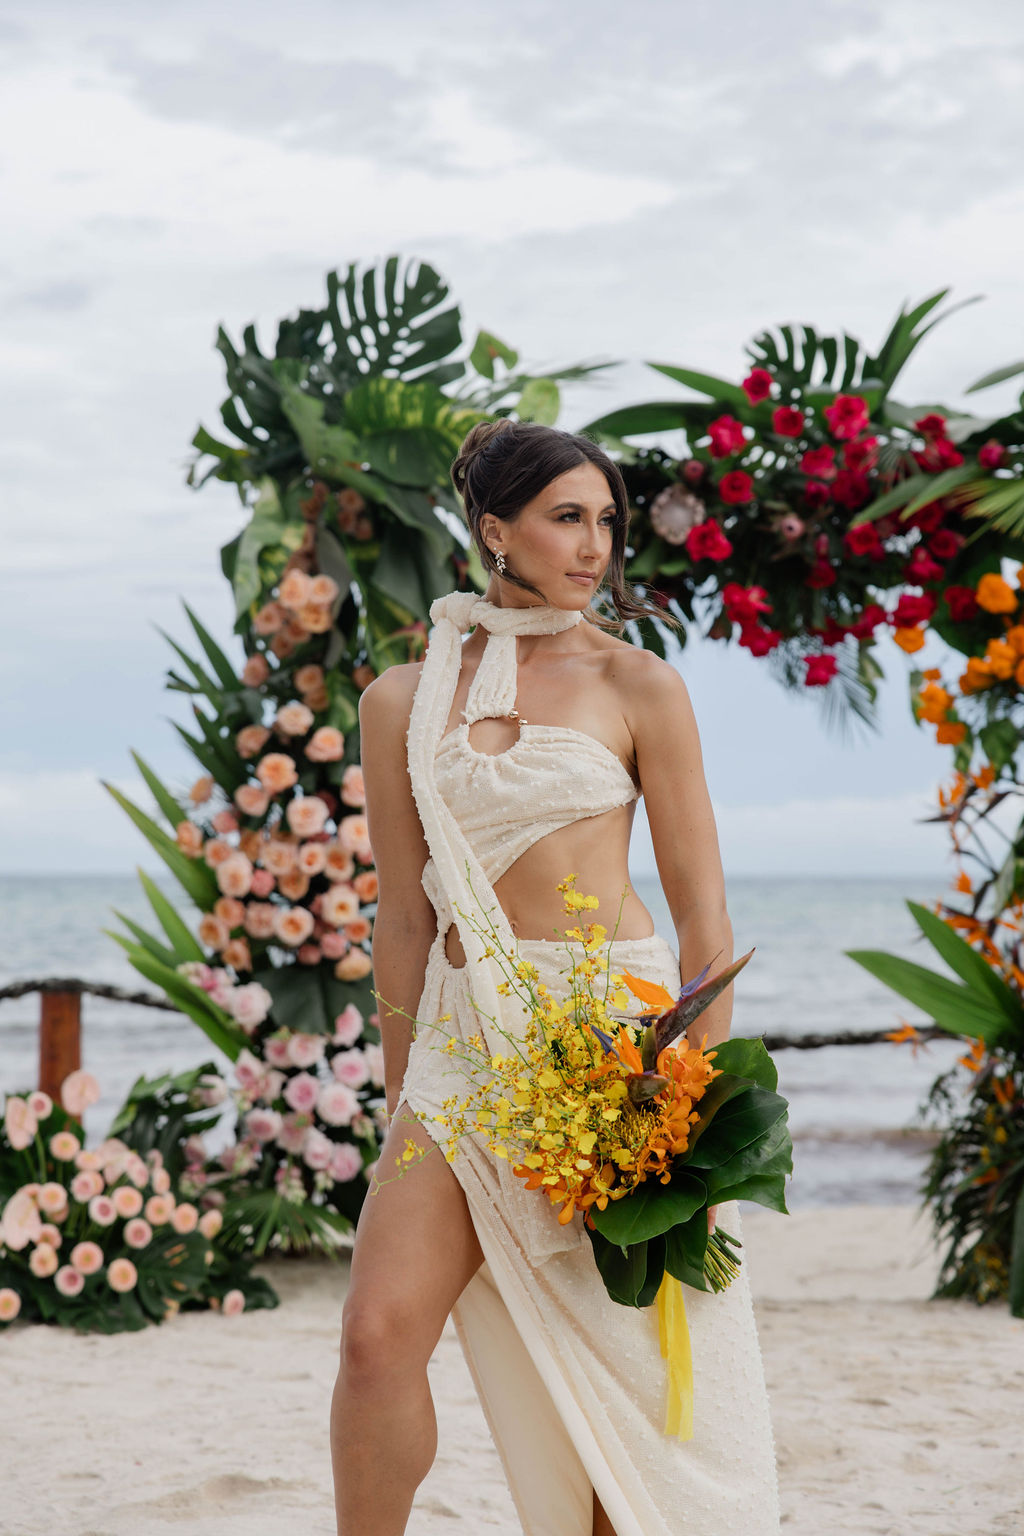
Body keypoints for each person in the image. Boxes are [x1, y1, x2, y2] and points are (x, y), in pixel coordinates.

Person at [330, 420, 780, 1536]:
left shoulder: (640, 685)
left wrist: (688, 1096)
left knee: (612, 1372)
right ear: (495, 530)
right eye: (566, 518)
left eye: (606, 522)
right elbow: (403, 915)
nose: (595, 546)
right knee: (377, 1336)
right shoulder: (400, 700)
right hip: (460, 1046)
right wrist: (404, 1091)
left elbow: (703, 916)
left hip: (610, 1050)